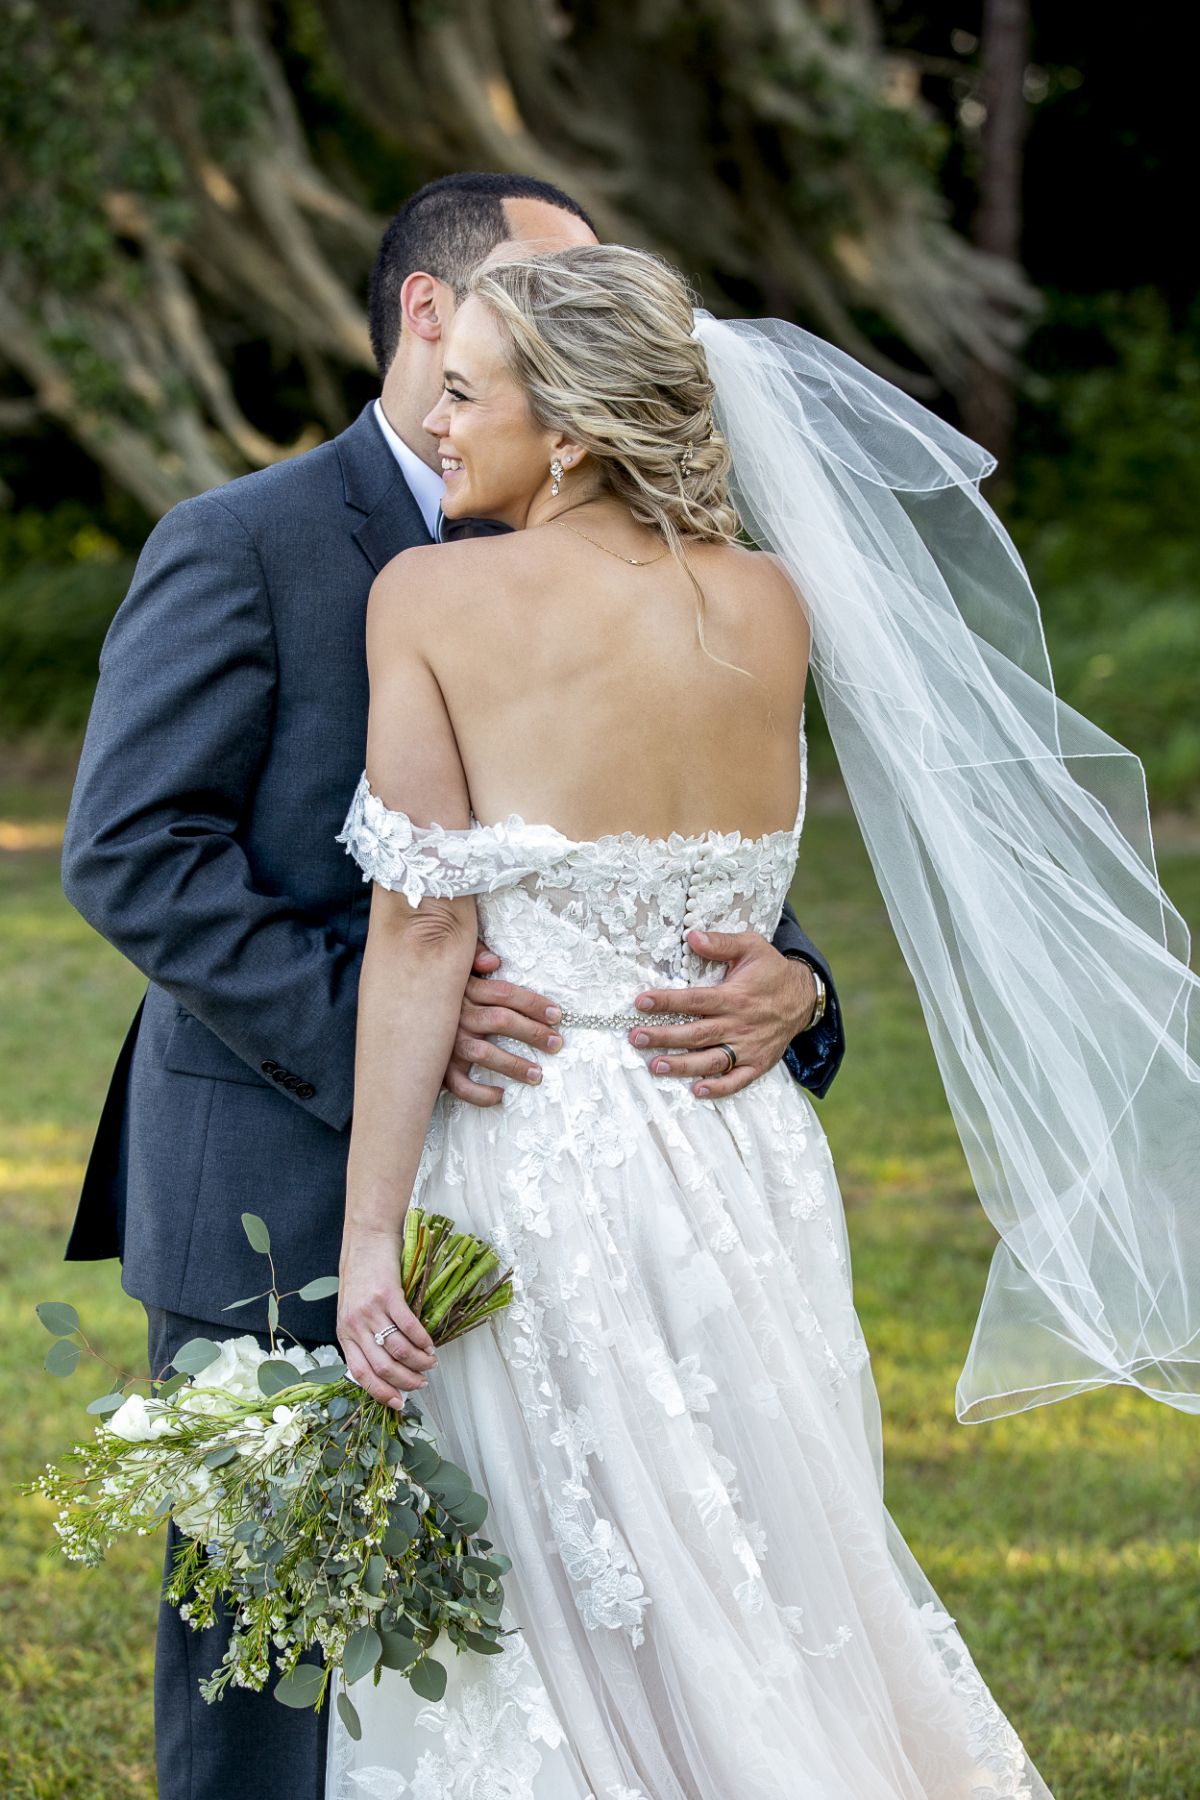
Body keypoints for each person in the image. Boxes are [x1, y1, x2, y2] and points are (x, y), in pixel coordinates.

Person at [58, 179, 844, 1800]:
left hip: (590, 1203)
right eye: (546, 291)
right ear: (437, 312)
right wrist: (378, 1023)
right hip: (280, 1173)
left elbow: (694, 872)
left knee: (601, 1652)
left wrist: (796, 988)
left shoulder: (673, 577)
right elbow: (134, 853)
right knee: (267, 1687)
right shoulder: (247, 540)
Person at [329, 244, 1054, 1798]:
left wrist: (367, 1236)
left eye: (465, 393)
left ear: (572, 429)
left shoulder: (432, 596)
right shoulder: (770, 603)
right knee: (768, 1577)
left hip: (539, 1159)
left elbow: (424, 928)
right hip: (742, 1151)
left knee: (552, 1608)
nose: (436, 423)